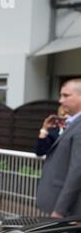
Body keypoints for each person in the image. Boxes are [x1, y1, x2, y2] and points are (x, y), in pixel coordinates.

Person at [37, 78, 81, 218]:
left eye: (66, 95)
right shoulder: (74, 123)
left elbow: (77, 171)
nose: (60, 101)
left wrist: (60, 210)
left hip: (68, 210)